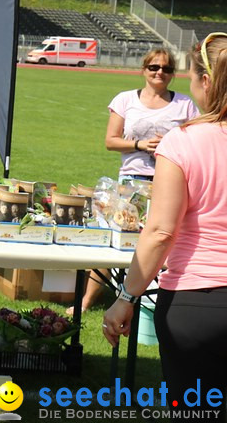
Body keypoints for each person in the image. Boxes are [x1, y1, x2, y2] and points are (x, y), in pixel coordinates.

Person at [103, 33, 227, 416]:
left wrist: (126, 297)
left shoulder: (183, 142)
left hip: (197, 302)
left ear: (206, 81)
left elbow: (160, 232)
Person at [70, 48, 198, 316]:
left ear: (173, 74)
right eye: (153, 67)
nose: (159, 72)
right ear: (143, 69)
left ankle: (158, 305)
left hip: (169, 184)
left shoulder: (184, 104)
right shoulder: (126, 100)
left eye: (166, 68)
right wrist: (139, 144)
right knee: (115, 239)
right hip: (131, 182)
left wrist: (170, 145)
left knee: (164, 240)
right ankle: (87, 300)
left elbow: (195, 140)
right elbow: (110, 141)